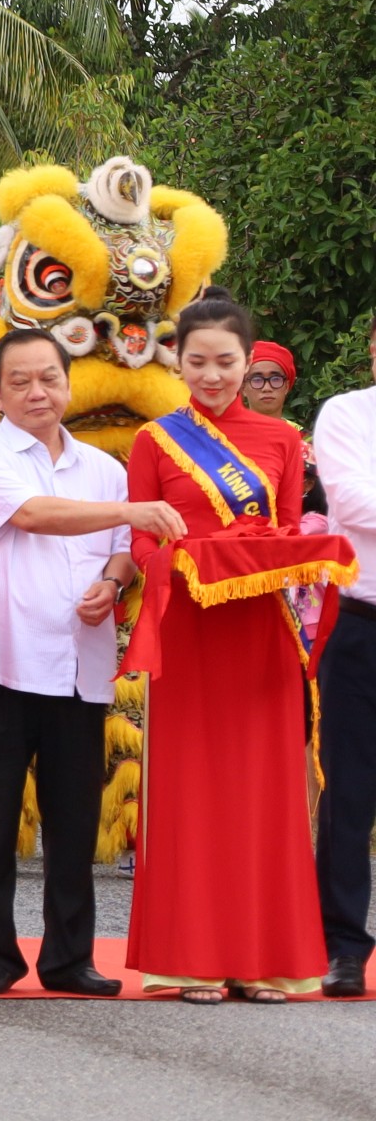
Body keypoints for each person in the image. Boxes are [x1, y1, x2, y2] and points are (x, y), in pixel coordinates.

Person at [0, 327, 182, 997]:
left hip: (79, 665)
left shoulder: (103, 470)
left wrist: (112, 580)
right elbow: (34, 515)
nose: (36, 391)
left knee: (74, 817)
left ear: (68, 383)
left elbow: (122, 548)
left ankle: (69, 957)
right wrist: (129, 510)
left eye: (48, 377)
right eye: (19, 380)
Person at [121, 291, 335, 1001]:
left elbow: (286, 532)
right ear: (176, 361)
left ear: (248, 363)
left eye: (227, 362)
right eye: (198, 361)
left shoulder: (281, 442)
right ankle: (192, 958)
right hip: (186, 630)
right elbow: (142, 541)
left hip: (259, 634)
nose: (212, 375)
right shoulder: (154, 441)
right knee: (192, 792)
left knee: (261, 791)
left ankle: (263, 956)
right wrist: (182, 564)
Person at [318, 314, 376, 998]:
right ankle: (342, 945)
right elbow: (354, 503)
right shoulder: (347, 414)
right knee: (349, 792)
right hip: (361, 622)